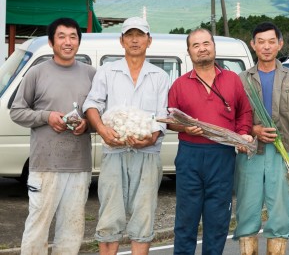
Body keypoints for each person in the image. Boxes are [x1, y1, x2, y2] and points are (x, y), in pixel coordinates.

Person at [83, 16, 170, 255]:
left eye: (140, 35)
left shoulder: (159, 77)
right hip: (114, 151)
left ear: (149, 41)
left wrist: (152, 136)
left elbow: (163, 116)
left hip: (148, 156)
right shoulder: (108, 71)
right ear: (121, 41)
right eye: (129, 35)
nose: (134, 40)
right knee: (109, 218)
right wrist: (102, 129)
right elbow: (92, 104)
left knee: (143, 220)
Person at [10, 17, 96, 254]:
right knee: (38, 226)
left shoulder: (91, 74)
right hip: (44, 166)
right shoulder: (36, 73)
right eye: (61, 36)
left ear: (79, 42)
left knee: (72, 229)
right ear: (51, 42)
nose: (68, 42)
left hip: (79, 166)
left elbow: (102, 116)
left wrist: (87, 124)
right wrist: (46, 117)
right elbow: (17, 112)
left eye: (73, 37)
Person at [167, 28, 253, 255]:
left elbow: (244, 112)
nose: (202, 48)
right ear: (189, 52)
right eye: (196, 45)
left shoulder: (232, 80)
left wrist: (243, 133)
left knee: (217, 220)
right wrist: (184, 127)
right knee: (186, 220)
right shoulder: (179, 84)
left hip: (222, 155)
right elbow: (169, 121)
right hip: (190, 155)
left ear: (214, 46)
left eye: (206, 43)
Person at [235, 22, 289, 255]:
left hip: (283, 154)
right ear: (253, 45)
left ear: (280, 44)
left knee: (281, 213)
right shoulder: (242, 79)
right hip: (250, 153)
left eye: (271, 42)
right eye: (261, 42)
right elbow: (235, 117)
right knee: (247, 211)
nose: (266, 47)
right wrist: (253, 130)